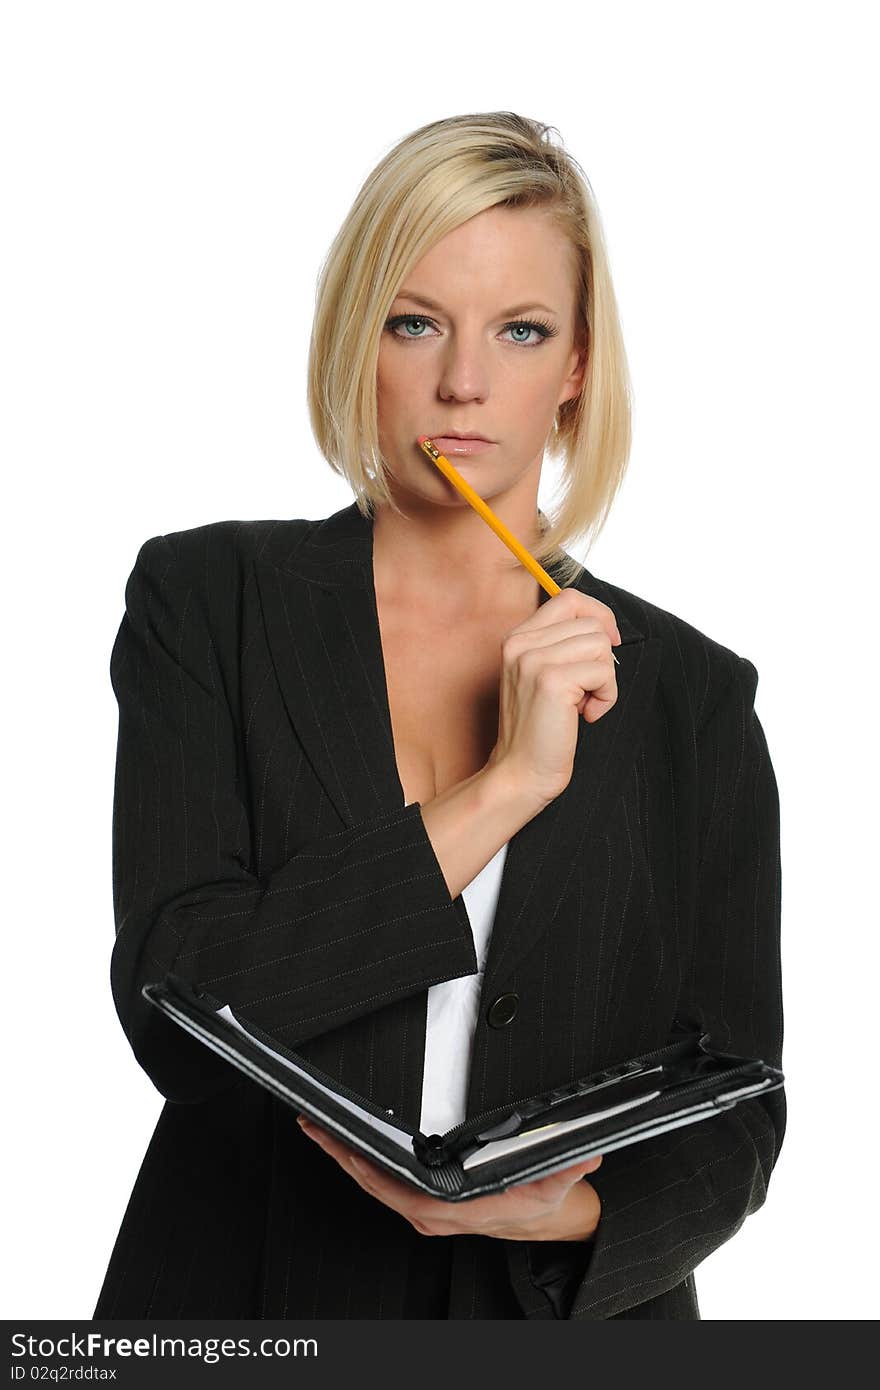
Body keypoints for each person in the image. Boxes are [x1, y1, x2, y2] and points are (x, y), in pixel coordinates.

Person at [93, 111, 785, 1320]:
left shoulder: (690, 689)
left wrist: (570, 1213)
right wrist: (505, 785)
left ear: (574, 369)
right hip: (246, 1300)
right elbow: (178, 1010)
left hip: (562, 1312)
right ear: (360, 339)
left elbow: (738, 1096)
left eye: (521, 331)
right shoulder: (209, 601)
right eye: (416, 322)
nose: (464, 381)